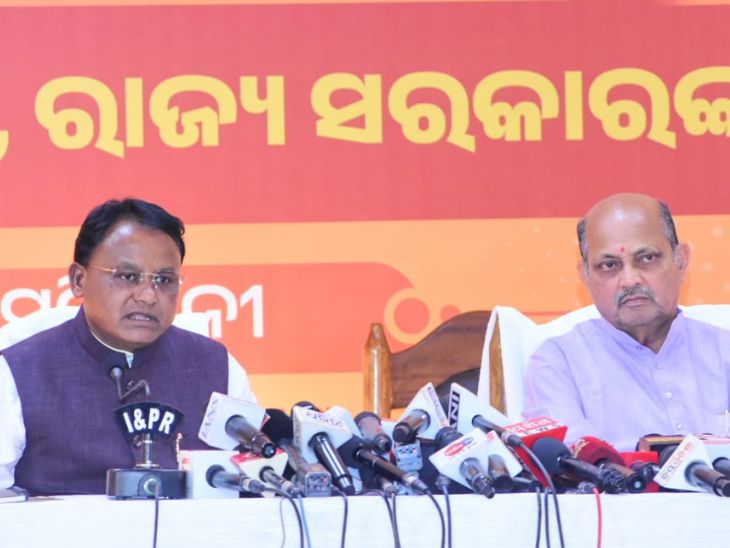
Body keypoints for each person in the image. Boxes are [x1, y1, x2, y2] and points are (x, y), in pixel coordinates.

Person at [0, 198, 256, 495]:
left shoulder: (218, 367)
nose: (148, 296)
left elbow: (257, 490)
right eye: (127, 277)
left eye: (164, 280)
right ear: (78, 279)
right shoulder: (18, 372)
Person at [523, 192, 730, 451]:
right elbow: (573, 464)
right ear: (585, 276)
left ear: (681, 261)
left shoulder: (723, 352)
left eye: (647, 258)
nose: (630, 280)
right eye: (609, 265)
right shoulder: (558, 364)